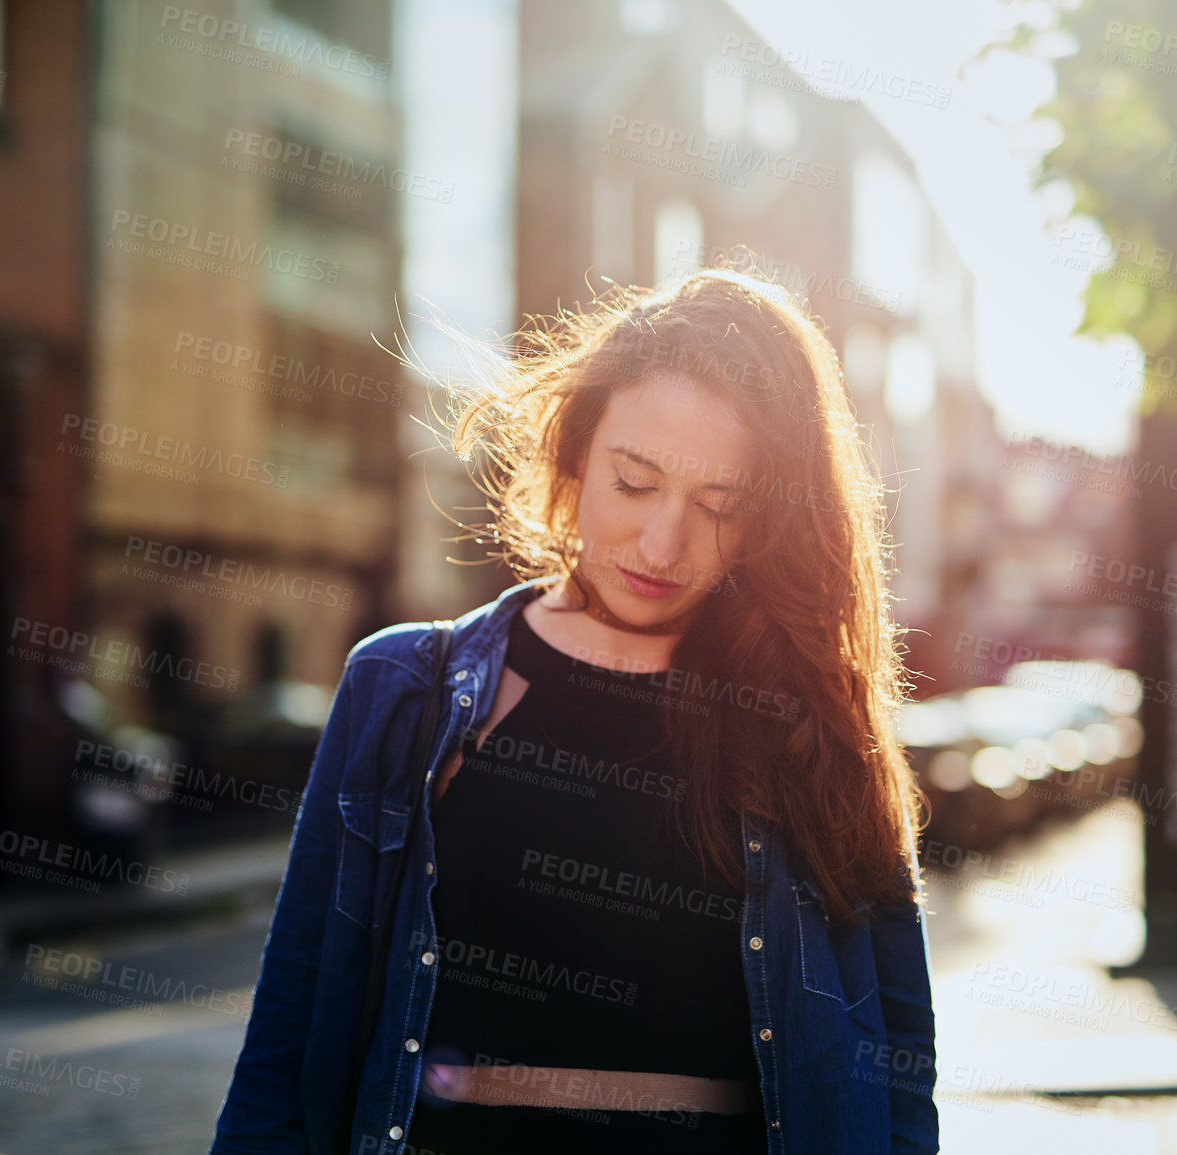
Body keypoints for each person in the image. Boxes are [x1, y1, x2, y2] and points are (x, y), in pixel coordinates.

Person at [209, 266, 940, 1155]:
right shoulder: (405, 687)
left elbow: (898, 1055)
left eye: (719, 506)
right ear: (574, 456)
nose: (663, 543)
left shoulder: (809, 719)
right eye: (634, 482)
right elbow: (289, 1028)